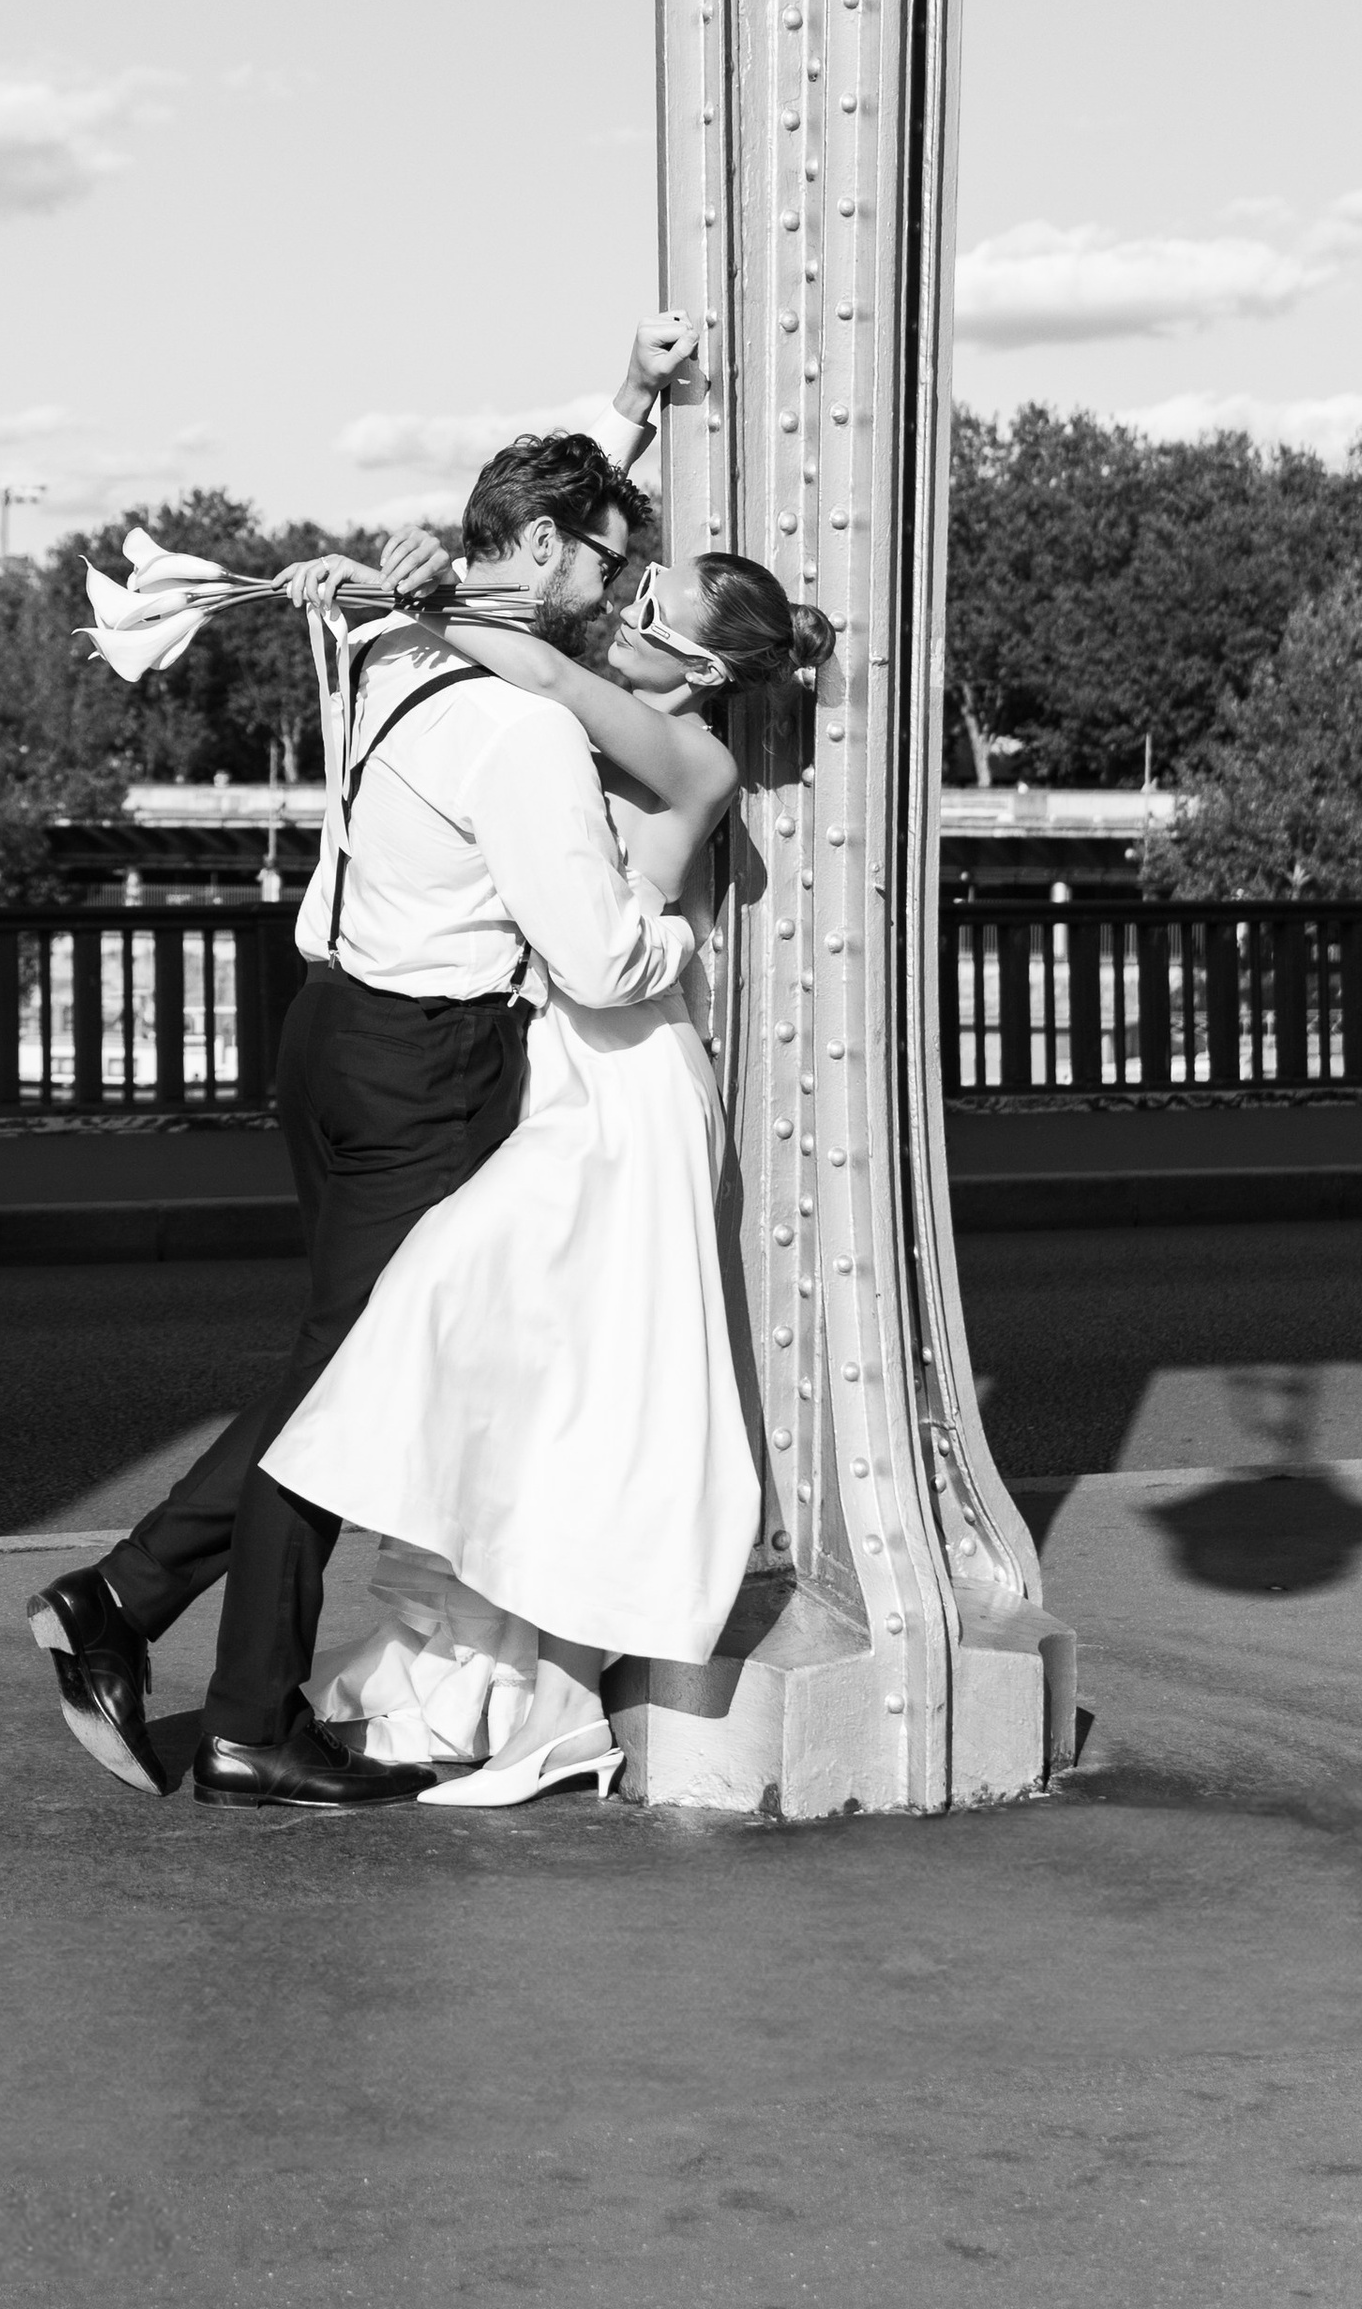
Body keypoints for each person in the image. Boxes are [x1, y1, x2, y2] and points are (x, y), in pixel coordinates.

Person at [28, 319, 716, 1811]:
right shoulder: (525, 732)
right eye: (605, 561)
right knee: (349, 1389)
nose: (611, 595)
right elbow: (598, 961)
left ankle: (192, 1659)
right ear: (541, 549)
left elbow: (522, 521)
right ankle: (181, 1656)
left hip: (325, 1034)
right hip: (430, 1066)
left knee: (338, 1369)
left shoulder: (382, 639)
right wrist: (677, 941)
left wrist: (627, 410)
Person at [265, 521, 833, 1810]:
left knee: (492, 1320)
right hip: (559, 1063)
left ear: (695, 660)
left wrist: (387, 594)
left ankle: (557, 1698)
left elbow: (536, 659)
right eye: (625, 583)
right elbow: (538, 595)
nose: (619, 603)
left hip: (626, 1082)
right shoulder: (612, 727)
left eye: (645, 598)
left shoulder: (681, 751)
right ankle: (510, 1686)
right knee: (533, 1371)